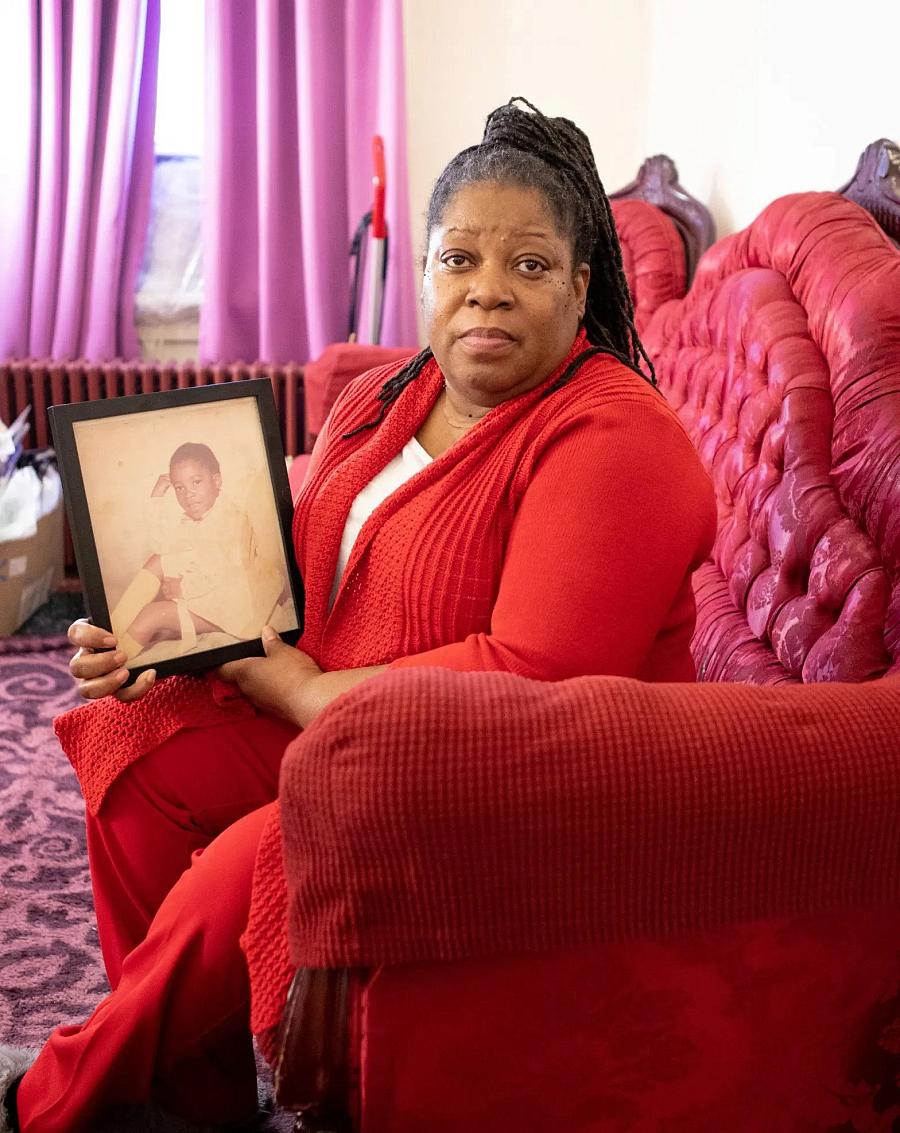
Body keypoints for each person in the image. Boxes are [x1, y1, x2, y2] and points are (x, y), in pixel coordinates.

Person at [0, 98, 716, 1132]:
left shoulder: (616, 440)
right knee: (130, 745)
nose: (488, 292)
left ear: (579, 283)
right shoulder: (393, 392)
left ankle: (49, 1095)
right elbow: (294, 557)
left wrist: (298, 686)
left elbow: (534, 673)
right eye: (460, 258)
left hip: (502, 768)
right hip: (344, 711)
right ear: (425, 273)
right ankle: (187, 1096)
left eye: (527, 266)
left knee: (249, 866)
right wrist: (165, 634)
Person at [109, 442, 287, 662]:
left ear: (216, 481)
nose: (188, 494)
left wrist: (184, 589)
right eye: (179, 488)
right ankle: (110, 633)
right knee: (158, 560)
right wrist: (156, 497)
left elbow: (226, 571)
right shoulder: (197, 519)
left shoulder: (230, 520)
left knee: (151, 616)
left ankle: (111, 664)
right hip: (211, 597)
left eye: (196, 482)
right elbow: (162, 546)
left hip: (237, 609)